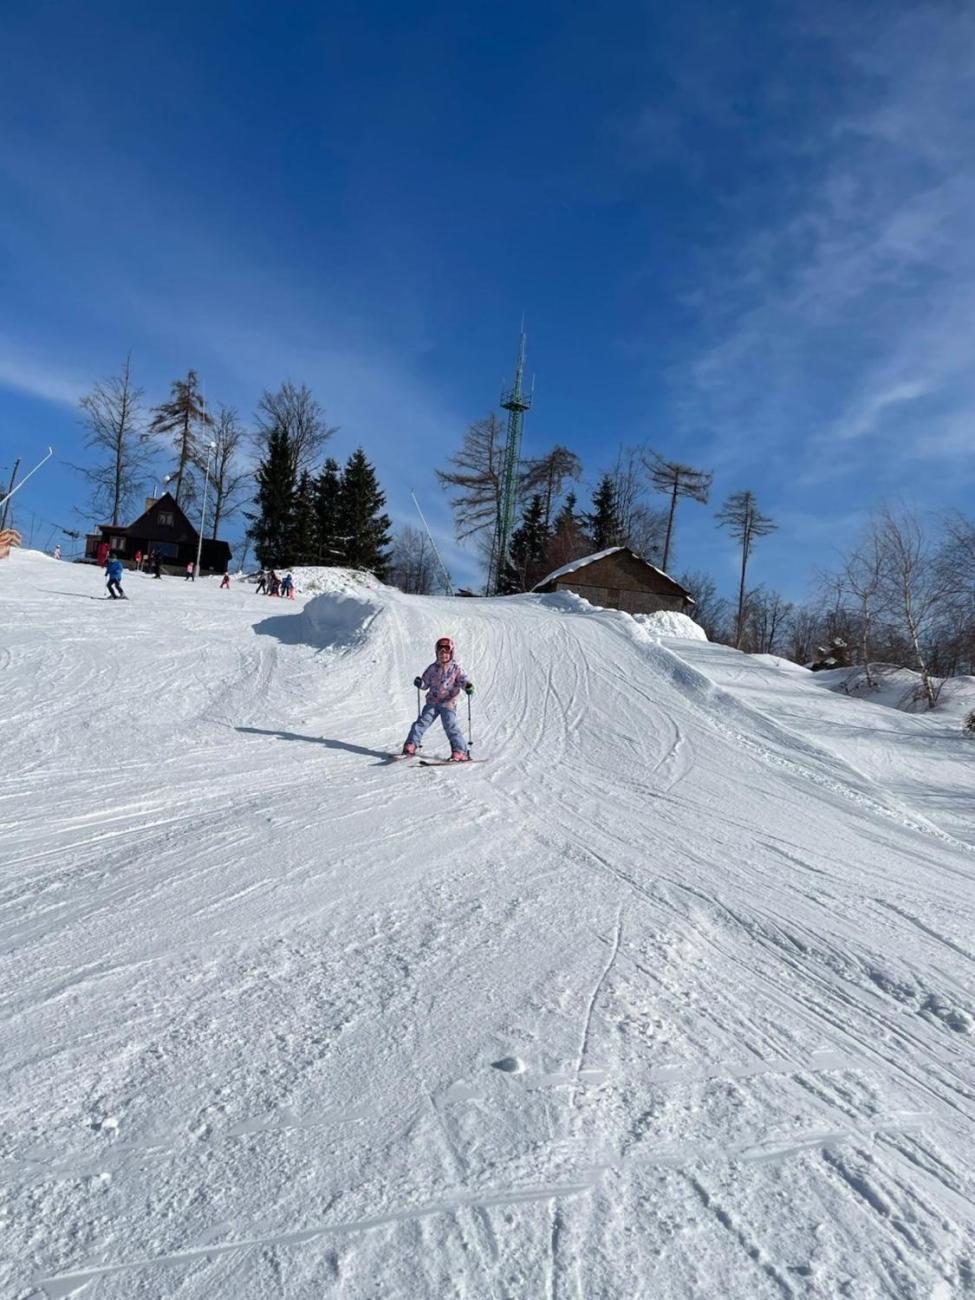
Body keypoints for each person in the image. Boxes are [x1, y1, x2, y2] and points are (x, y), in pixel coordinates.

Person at [402, 636, 475, 761]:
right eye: (440, 654)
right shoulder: (432, 668)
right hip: (433, 702)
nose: (443, 656)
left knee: (450, 725)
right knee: (421, 723)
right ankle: (411, 744)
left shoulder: (456, 669)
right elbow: (425, 684)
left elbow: (463, 680)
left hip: (448, 703)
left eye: (446, 654)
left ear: (451, 654)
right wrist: (420, 683)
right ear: (436, 654)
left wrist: (468, 686)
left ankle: (460, 751)